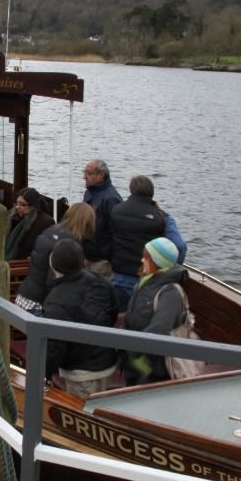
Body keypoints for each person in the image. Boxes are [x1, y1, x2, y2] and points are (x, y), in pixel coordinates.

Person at [42, 238, 119, 397]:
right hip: (107, 358)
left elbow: (55, 348)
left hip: (83, 371)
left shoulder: (55, 301)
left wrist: (44, 372)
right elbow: (112, 313)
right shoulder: (98, 280)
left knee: (84, 412)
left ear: (53, 264)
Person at [122, 236, 187, 385]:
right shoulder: (145, 281)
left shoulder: (170, 294)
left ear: (158, 263)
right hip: (133, 358)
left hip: (151, 367)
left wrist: (131, 350)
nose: (142, 260)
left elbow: (158, 329)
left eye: (146, 258)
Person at [15, 202, 95, 313]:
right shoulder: (69, 246)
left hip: (25, 296)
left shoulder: (50, 231)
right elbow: (53, 280)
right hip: (40, 304)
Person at [110, 175, 167, 311]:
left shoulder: (117, 211)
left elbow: (111, 237)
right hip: (145, 276)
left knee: (118, 315)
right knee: (141, 316)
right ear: (151, 192)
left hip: (120, 273)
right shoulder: (159, 217)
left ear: (131, 190)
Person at [82, 158, 122, 277]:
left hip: (101, 262)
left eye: (88, 173)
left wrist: (109, 259)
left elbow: (117, 231)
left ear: (101, 175)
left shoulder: (112, 199)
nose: (84, 177)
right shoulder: (89, 192)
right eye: (84, 172)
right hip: (87, 256)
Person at [4, 187, 55, 260]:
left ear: (33, 206)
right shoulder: (12, 217)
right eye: (17, 203)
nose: (17, 207)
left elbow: (47, 248)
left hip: (26, 263)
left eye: (23, 205)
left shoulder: (46, 222)